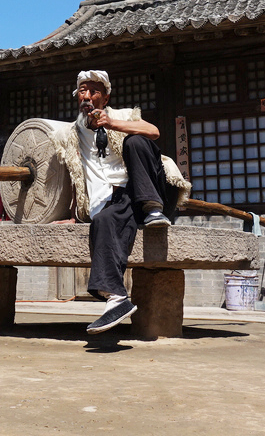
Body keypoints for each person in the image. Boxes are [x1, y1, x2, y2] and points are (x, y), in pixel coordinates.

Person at [51, 70, 191, 334]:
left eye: (94, 91)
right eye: (82, 91)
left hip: (145, 188)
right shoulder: (71, 134)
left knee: (135, 141)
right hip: (113, 201)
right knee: (102, 220)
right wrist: (73, 215)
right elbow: (74, 174)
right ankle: (116, 299)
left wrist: (113, 124)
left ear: (105, 98)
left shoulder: (124, 115)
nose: (87, 96)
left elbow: (154, 132)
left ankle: (153, 209)